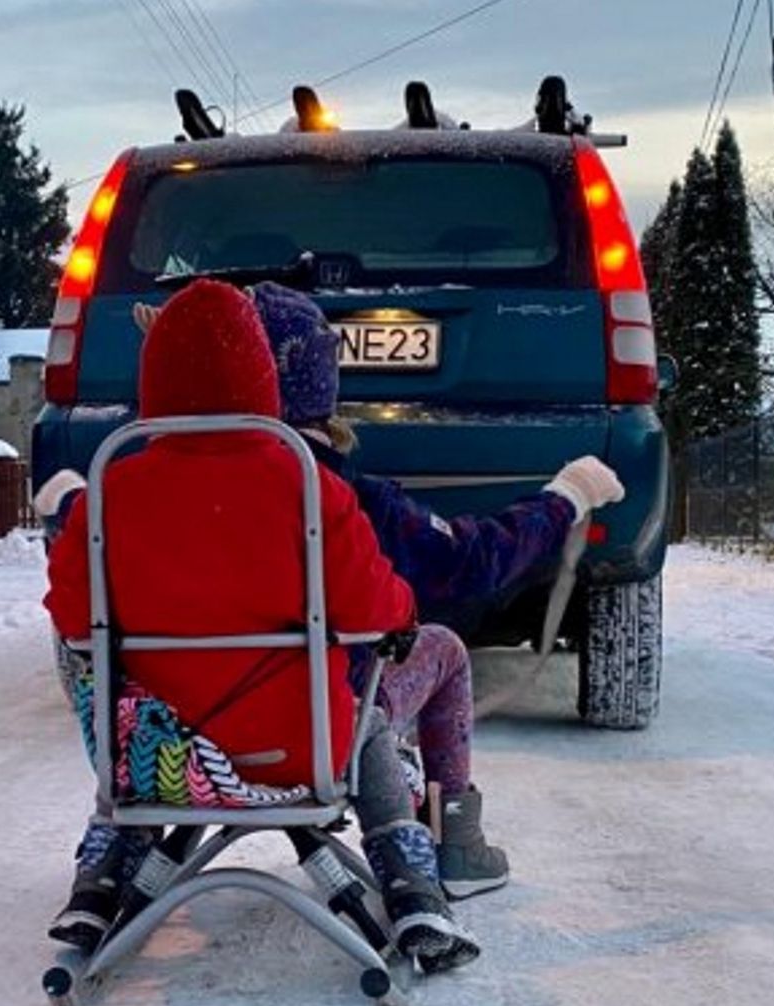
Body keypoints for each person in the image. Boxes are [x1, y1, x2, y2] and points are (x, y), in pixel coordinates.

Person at [41, 279, 477, 971]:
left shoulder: (110, 490)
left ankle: (103, 875)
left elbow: (71, 619)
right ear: (262, 378)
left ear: (152, 380)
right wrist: (402, 614)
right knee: (366, 725)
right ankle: (409, 880)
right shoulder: (307, 482)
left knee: (111, 690)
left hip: (163, 762)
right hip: (300, 752)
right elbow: (372, 608)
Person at [248, 281, 626, 898]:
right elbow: (470, 562)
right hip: (314, 727)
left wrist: (74, 497)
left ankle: (122, 863)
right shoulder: (349, 502)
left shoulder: (139, 492)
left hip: (186, 739)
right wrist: (566, 498)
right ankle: (454, 843)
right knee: (442, 647)